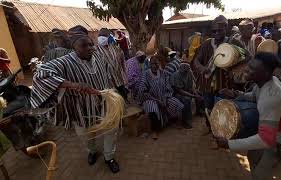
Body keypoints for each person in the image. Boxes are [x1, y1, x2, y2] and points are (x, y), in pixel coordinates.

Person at [31, 25, 121, 173]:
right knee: (86, 134)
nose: (90, 48)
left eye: (91, 44)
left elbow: (107, 72)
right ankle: (92, 151)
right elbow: (41, 75)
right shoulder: (64, 62)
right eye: (83, 45)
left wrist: (111, 91)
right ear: (74, 46)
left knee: (111, 129)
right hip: (81, 107)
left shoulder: (97, 54)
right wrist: (72, 84)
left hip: (105, 101)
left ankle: (109, 157)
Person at [215, 52, 281, 180]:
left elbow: (266, 140)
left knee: (262, 175)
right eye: (249, 66)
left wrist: (229, 144)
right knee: (254, 156)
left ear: (265, 73)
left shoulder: (271, 98)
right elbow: (254, 96)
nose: (246, 70)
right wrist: (235, 93)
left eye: (252, 69)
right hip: (277, 137)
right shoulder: (265, 82)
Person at [192, 15, 229, 133]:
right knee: (208, 107)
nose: (217, 33)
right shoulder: (207, 44)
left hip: (224, 83)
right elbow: (197, 60)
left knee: (221, 108)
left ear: (226, 29)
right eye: (214, 31)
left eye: (220, 30)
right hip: (207, 82)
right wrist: (201, 68)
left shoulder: (231, 42)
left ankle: (219, 132)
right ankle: (210, 128)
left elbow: (244, 59)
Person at [139, 55, 184, 140]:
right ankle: (154, 131)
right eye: (152, 64)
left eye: (156, 63)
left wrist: (165, 99)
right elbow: (143, 91)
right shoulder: (145, 74)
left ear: (159, 64)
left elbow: (168, 88)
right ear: (150, 64)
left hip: (163, 97)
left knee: (175, 102)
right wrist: (157, 100)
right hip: (150, 98)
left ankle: (174, 121)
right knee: (152, 107)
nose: (155, 66)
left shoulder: (163, 73)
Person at [98, 28, 128, 102]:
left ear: (109, 37)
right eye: (100, 35)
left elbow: (122, 62)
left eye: (104, 36)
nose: (101, 38)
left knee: (123, 96)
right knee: (112, 99)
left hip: (118, 77)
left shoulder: (116, 48)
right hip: (106, 80)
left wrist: (125, 74)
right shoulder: (95, 50)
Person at [170, 61, 202, 129]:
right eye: (184, 69)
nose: (186, 71)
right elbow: (180, 91)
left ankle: (198, 111)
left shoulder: (189, 72)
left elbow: (191, 86)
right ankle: (185, 121)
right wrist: (193, 96)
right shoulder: (176, 75)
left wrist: (196, 94)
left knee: (200, 94)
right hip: (177, 94)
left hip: (187, 91)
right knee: (186, 100)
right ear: (180, 69)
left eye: (187, 69)